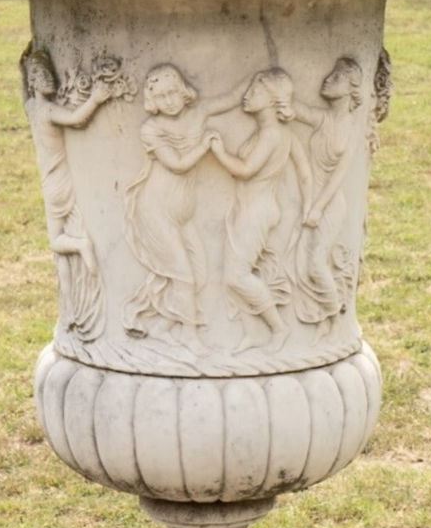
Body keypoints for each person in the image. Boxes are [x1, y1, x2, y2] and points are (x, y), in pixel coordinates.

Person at [207, 68, 314, 353]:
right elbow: (304, 172)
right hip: (249, 209)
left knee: (235, 275)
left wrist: (217, 151)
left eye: (254, 91)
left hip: (257, 211)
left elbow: (245, 170)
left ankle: (279, 329)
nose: (246, 95)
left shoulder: (272, 135)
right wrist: (311, 203)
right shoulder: (278, 134)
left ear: (271, 99)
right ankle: (253, 332)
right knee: (233, 276)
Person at [20, 43, 116, 342]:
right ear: (34, 82)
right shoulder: (45, 109)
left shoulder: (33, 108)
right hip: (59, 179)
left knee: (55, 238)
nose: (48, 78)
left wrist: (23, 65)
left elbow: (24, 91)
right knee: (57, 239)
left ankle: (72, 310)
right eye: (41, 75)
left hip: (55, 179)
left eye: (49, 73)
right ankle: (80, 249)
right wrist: (97, 99)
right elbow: (76, 119)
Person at [121, 64, 219, 349]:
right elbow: (177, 165)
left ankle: (163, 326)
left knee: (198, 274)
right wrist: (205, 146)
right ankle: (189, 337)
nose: (170, 101)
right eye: (161, 96)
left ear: (183, 91)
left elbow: (229, 98)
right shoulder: (151, 129)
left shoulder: (198, 114)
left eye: (173, 93)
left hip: (182, 213)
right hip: (155, 212)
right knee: (183, 275)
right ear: (152, 100)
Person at [291, 57, 366, 326]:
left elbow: (339, 176)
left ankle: (334, 318)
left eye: (336, 77)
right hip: (308, 199)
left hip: (330, 203)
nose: (327, 79)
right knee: (300, 260)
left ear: (352, 87)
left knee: (316, 263)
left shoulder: (351, 127)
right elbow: (297, 110)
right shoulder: (323, 118)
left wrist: (317, 208)